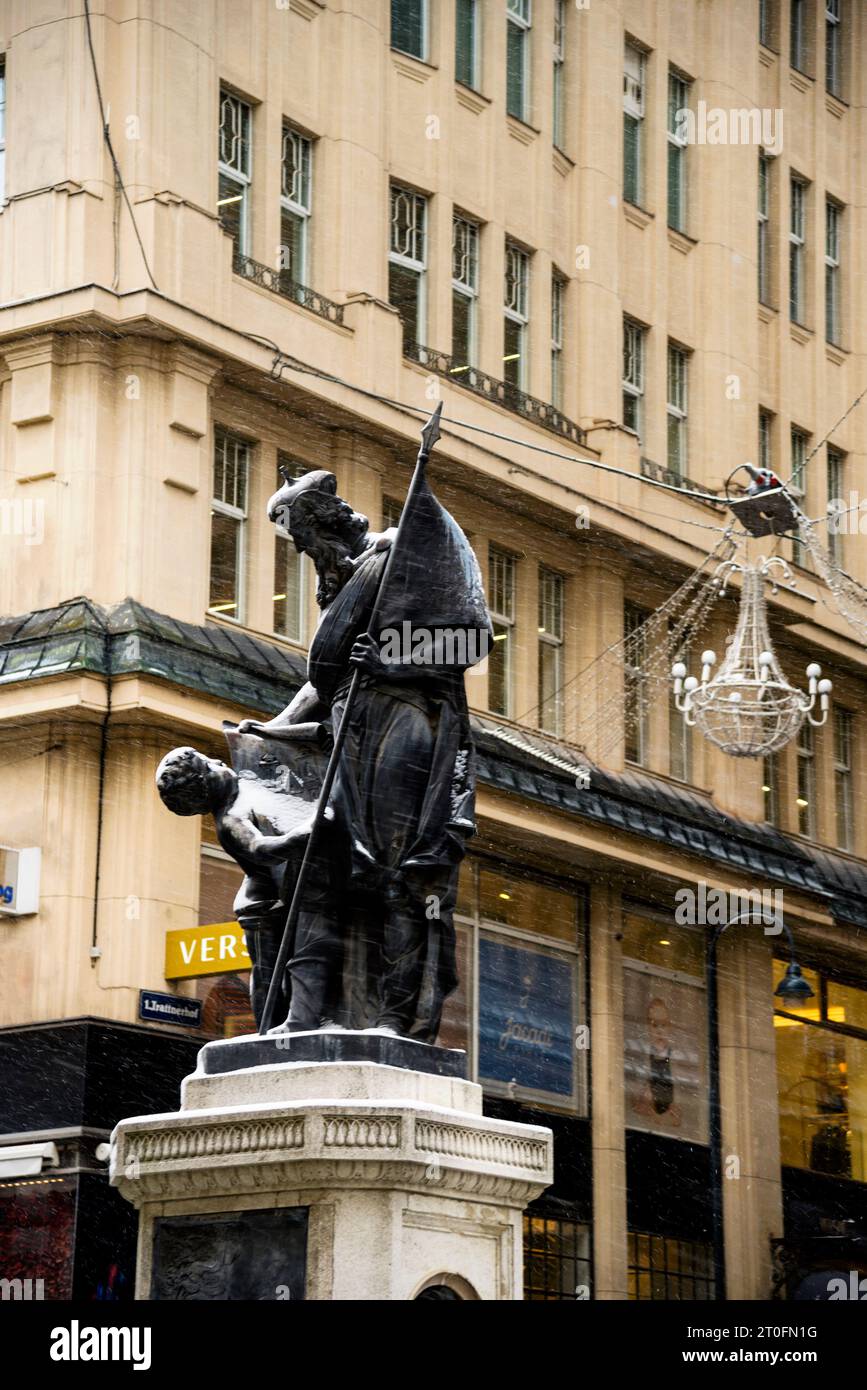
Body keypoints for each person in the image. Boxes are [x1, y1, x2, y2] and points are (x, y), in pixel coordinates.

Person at [239, 468, 488, 1040]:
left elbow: (470, 638)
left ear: (323, 525)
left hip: (403, 722)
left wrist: (390, 662)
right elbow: (323, 682)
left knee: (397, 870)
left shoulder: (399, 551)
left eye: (301, 537)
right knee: (339, 872)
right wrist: (272, 730)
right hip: (348, 733)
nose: (300, 550)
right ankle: (329, 1014)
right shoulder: (345, 581)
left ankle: (395, 1019)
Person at [155, 747, 310, 1027]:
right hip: (263, 908)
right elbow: (261, 849)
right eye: (210, 765)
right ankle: (269, 1031)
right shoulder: (229, 819)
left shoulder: (247, 789)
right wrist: (301, 835)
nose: (219, 760)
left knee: (285, 970)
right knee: (270, 975)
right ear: (204, 785)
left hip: (281, 896)